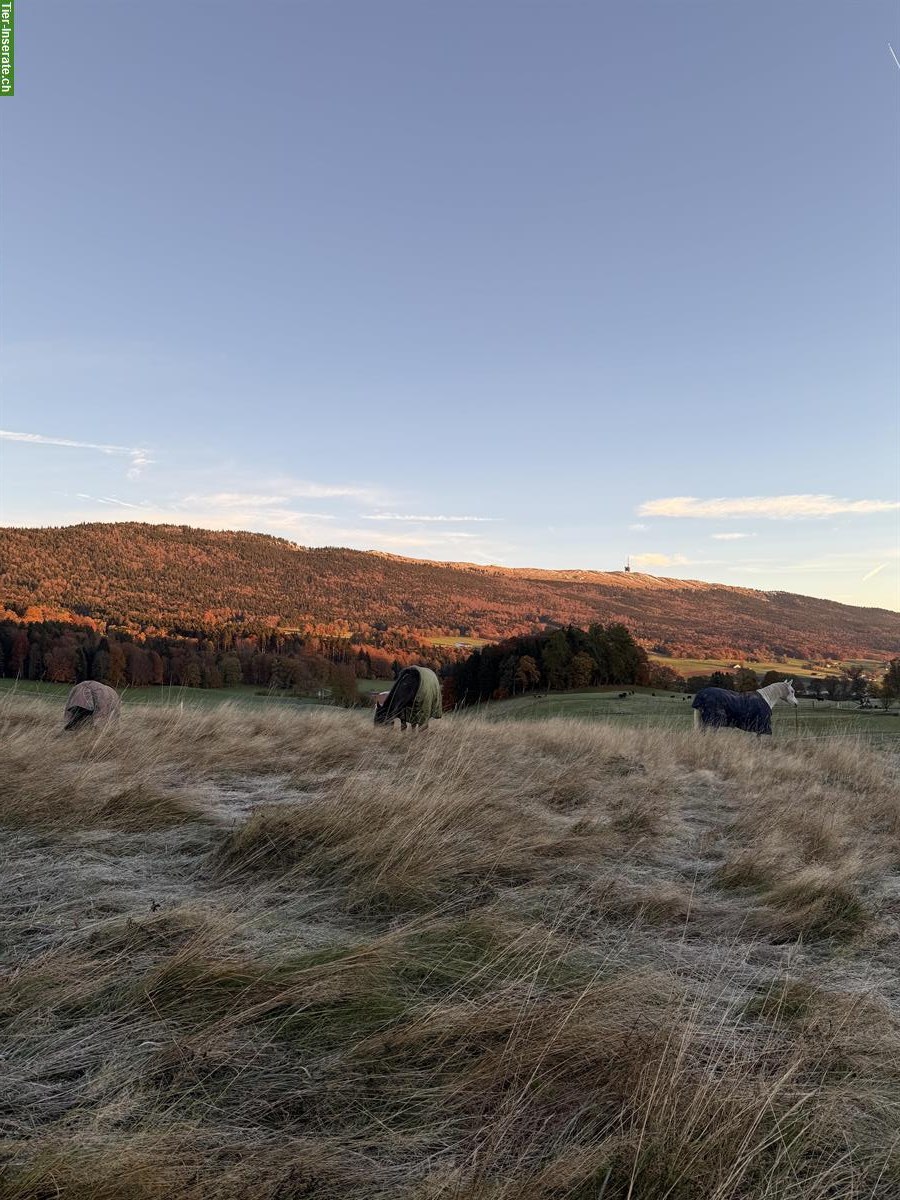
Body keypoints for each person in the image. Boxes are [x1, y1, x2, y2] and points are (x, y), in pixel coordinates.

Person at [373, 665, 442, 731]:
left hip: (422, 690)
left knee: (422, 717)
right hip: (412, 688)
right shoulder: (400, 689)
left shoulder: (415, 687)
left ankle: (420, 735)